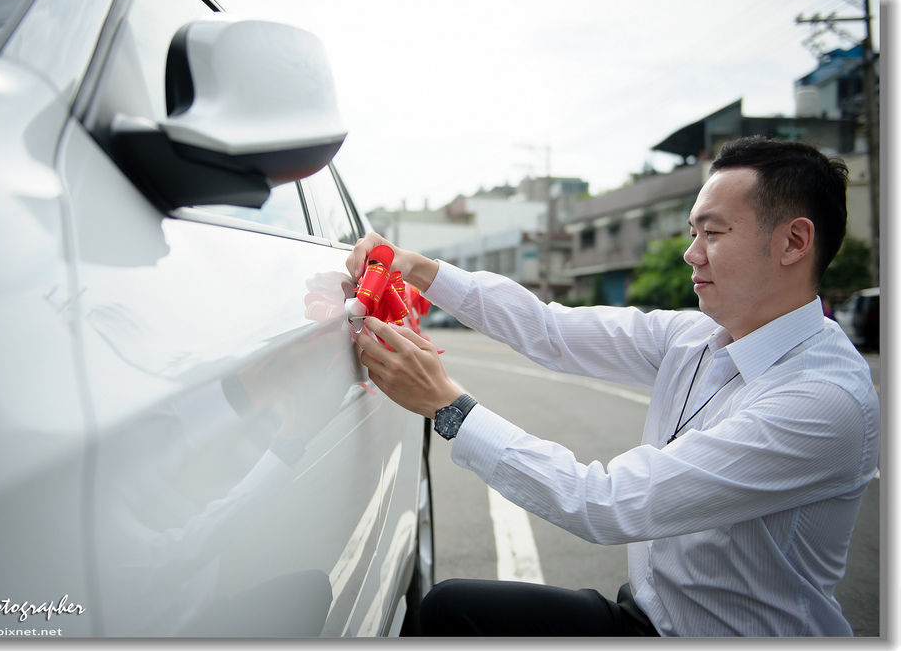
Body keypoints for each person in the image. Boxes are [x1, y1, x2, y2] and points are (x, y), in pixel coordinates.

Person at [346, 136, 879, 637]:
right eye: (692, 232)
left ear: (794, 242)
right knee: (451, 610)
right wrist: (417, 269)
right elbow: (549, 330)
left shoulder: (821, 401)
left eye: (713, 234)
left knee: (452, 615)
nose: (691, 254)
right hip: (651, 613)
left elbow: (604, 503)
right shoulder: (697, 336)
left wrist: (449, 408)